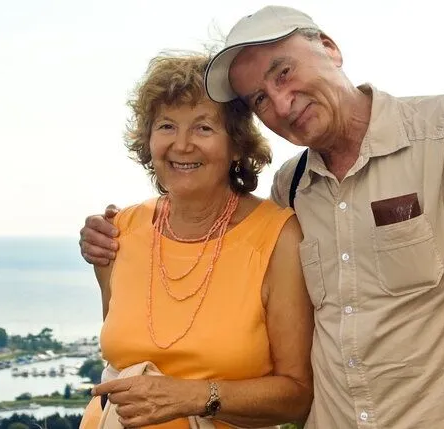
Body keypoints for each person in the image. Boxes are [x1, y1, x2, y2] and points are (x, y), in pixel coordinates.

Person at [80, 6, 444, 428]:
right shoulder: (292, 190)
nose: (281, 103)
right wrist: (106, 238)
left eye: (284, 72)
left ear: (330, 48)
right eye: (260, 98)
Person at [76, 52, 314, 429]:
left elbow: (297, 396)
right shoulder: (119, 230)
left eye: (203, 128)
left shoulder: (278, 237)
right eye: (167, 126)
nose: (182, 145)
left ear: (237, 146)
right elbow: (118, 358)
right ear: (148, 139)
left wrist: (194, 397)